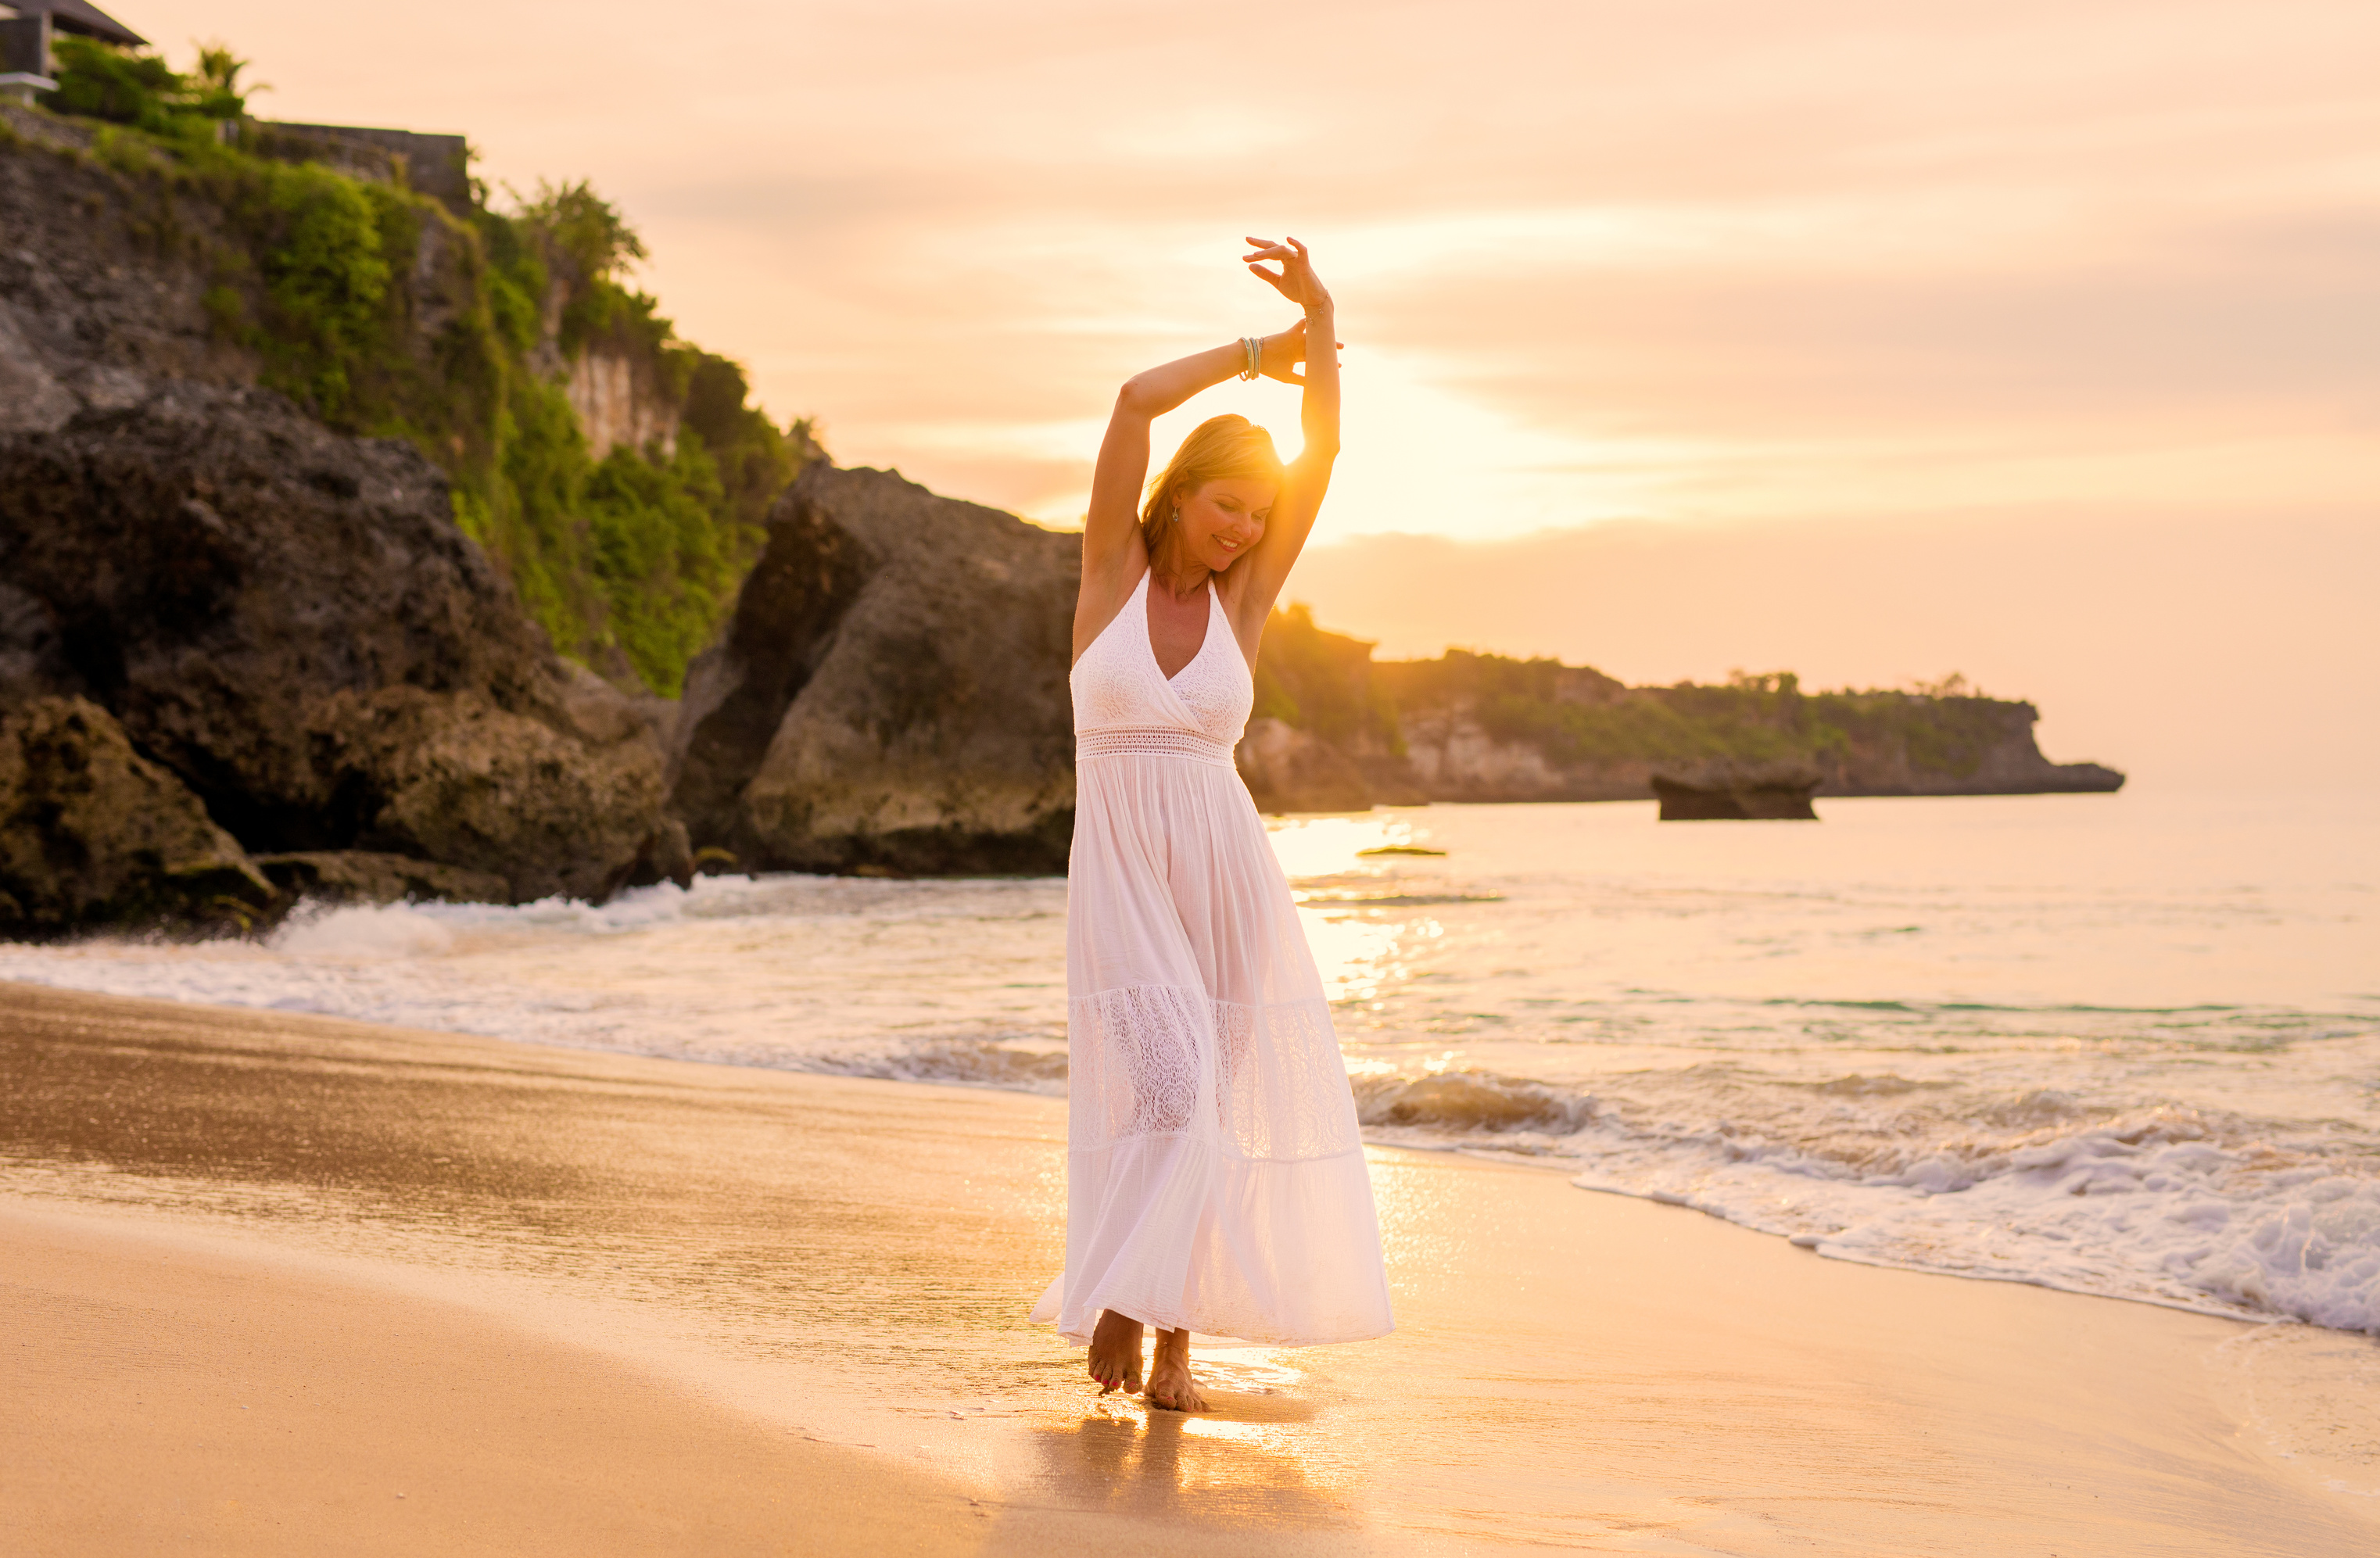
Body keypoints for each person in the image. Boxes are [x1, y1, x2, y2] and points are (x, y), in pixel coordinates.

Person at [1028, 238, 1394, 1412]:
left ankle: (1171, 1336)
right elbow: (1135, 398)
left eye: (1259, 515)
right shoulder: (1107, 575)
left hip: (1226, 865)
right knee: (1174, 1093)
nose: (1243, 529)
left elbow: (1325, 449)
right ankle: (1128, 1299)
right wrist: (1258, 352)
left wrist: (1324, 323)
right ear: (1181, 494)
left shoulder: (1246, 597)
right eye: (1229, 507)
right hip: (1126, 868)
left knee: (1207, 1103)